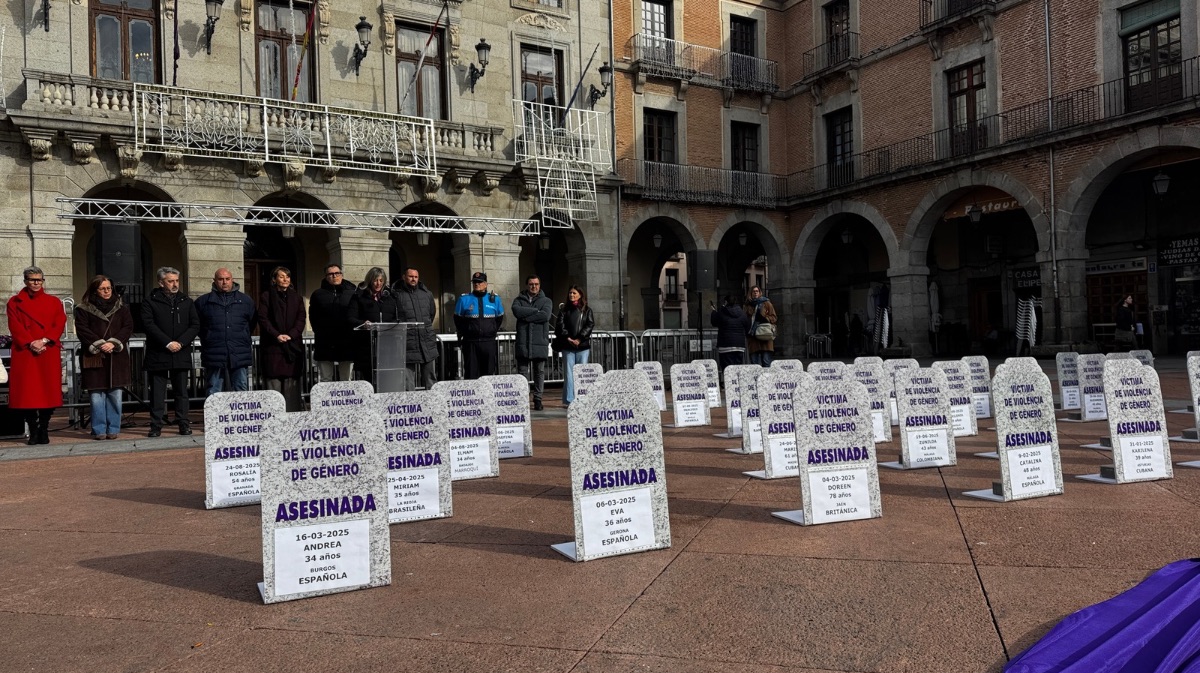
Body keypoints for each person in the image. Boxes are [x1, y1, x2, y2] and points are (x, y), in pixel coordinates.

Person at [6, 266, 65, 445]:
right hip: (26, 351)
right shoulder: (14, 302)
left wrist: (44, 340)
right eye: (33, 280)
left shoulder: (54, 301)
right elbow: (14, 326)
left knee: (49, 392)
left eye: (39, 280)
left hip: (47, 349)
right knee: (28, 394)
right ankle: (33, 430)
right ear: (25, 281)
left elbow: (60, 321)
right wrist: (32, 342)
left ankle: (44, 429)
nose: (36, 283)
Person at [142, 267, 200, 437]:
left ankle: (183, 423)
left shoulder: (186, 301)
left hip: (180, 352)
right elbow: (148, 324)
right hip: (159, 352)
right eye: (170, 281)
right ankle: (156, 425)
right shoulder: (150, 301)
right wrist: (167, 342)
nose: (175, 284)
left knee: (181, 391)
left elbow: (195, 324)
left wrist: (181, 342)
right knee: (157, 393)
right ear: (161, 283)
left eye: (176, 281)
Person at [74, 275, 134, 439]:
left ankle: (113, 428)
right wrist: (100, 343)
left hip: (116, 356)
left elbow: (127, 327)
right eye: (102, 288)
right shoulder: (83, 308)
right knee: (96, 396)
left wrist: (113, 343)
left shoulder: (121, 307)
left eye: (109, 288)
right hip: (95, 356)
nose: (107, 291)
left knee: (115, 394)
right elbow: (82, 329)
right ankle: (99, 429)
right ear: (95, 290)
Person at [195, 268, 256, 395]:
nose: (224, 282)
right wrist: (209, 337)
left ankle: (241, 415)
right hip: (214, 352)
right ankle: (214, 415)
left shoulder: (246, 301)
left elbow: (251, 323)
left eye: (227, 279)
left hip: (239, 352)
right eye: (221, 279)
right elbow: (198, 326)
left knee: (241, 388)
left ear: (232, 280)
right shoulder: (203, 302)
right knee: (213, 390)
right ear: (214, 281)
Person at [257, 266, 306, 411]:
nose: (285, 279)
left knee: (292, 386)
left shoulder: (296, 298)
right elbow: (263, 318)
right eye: (281, 276)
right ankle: (274, 414)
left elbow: (301, 318)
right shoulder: (266, 296)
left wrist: (291, 334)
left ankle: (292, 416)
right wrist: (276, 335)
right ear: (274, 279)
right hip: (273, 347)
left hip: (292, 346)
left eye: (287, 276)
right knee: (274, 384)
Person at [348, 267, 399, 382]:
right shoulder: (359, 296)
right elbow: (350, 318)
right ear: (370, 280)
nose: (378, 283)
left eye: (381, 280)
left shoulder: (391, 297)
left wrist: (391, 325)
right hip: (366, 346)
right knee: (369, 379)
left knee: (387, 380)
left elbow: (400, 318)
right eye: (375, 280)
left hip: (388, 346)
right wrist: (363, 323)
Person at [309, 263, 355, 382]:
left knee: (346, 379)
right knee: (325, 379)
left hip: (347, 340)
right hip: (325, 341)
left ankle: (346, 400)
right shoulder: (317, 294)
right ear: (326, 276)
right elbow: (313, 316)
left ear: (341, 275)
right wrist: (319, 331)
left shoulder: (351, 293)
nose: (334, 276)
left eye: (337, 273)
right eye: (330, 274)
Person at [394, 267, 438, 390]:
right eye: (410, 276)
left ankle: (432, 401)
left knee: (430, 377)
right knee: (408, 379)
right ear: (404, 277)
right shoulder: (397, 294)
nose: (413, 279)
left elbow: (431, 314)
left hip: (426, 338)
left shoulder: (426, 294)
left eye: (416, 277)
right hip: (407, 340)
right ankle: (411, 404)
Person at [454, 271, 504, 379]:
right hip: (470, 342)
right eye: (475, 282)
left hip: (488, 342)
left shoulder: (495, 299)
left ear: (486, 284)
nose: (477, 284)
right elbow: (457, 319)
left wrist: (492, 330)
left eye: (480, 282)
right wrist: (467, 331)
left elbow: (499, 318)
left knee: (488, 374)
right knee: (471, 373)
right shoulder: (464, 299)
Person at [512, 275, 552, 410]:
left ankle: (538, 399)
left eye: (536, 284)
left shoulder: (546, 301)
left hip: (539, 341)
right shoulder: (518, 300)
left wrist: (526, 317)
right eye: (531, 284)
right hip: (523, 342)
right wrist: (535, 311)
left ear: (539, 285)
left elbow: (545, 316)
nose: (533, 286)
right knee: (522, 372)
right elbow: (516, 311)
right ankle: (523, 398)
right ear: (526, 285)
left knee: (539, 372)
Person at [555, 285, 593, 407]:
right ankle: (569, 399)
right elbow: (560, 325)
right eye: (570, 293)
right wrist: (568, 338)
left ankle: (582, 398)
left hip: (583, 346)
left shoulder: (587, 310)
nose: (572, 295)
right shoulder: (564, 310)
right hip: (568, 346)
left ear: (580, 294)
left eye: (574, 293)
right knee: (569, 374)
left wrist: (580, 338)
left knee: (582, 374)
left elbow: (589, 324)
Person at [711, 294, 750, 375]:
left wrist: (714, 311)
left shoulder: (722, 312)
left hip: (725, 345)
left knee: (727, 369)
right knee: (738, 369)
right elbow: (747, 326)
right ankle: (736, 386)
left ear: (726, 302)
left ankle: (728, 386)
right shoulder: (742, 314)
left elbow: (714, 322)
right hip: (739, 345)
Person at [745, 285, 777, 367]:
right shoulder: (748, 305)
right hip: (753, 337)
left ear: (760, 293)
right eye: (753, 291)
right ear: (750, 293)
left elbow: (774, 318)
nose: (755, 293)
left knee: (766, 362)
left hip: (765, 336)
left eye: (757, 291)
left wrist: (765, 317)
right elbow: (745, 320)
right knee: (754, 365)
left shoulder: (766, 303)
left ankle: (766, 380)